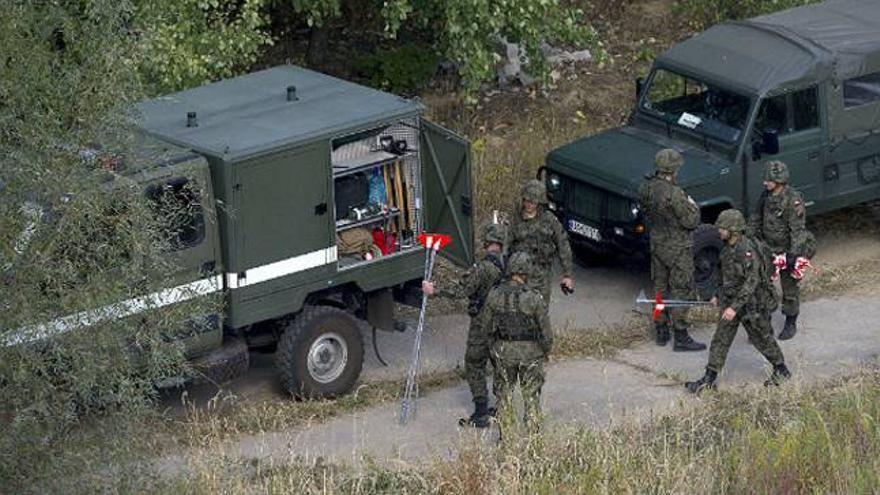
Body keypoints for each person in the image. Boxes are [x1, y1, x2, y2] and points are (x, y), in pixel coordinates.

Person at [685, 209, 790, 393]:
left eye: (722, 228)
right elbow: (723, 274)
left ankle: (781, 369)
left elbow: (751, 282)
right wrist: (717, 294)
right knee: (720, 339)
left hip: (751, 304)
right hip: (732, 301)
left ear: (733, 230)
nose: (719, 231)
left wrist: (734, 308)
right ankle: (709, 379)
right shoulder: (727, 249)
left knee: (762, 338)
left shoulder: (747, 251)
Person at [422, 222, 506, 428]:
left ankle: (480, 413)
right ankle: (504, 408)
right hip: (503, 322)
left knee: (474, 364)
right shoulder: (509, 265)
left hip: (482, 323)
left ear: (486, 242)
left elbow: (462, 289)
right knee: (500, 365)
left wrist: (435, 289)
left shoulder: (483, 267)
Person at [638, 148, 706, 351]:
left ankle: (661, 329)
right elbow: (691, 221)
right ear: (673, 170)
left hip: (657, 243)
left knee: (659, 289)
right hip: (677, 247)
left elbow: (645, 210)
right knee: (681, 290)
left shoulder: (647, 187)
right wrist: (693, 206)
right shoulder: (675, 193)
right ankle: (681, 335)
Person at [484, 251, 551, 433]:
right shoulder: (534, 297)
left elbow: (486, 328)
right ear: (526, 272)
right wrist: (546, 351)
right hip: (531, 354)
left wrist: (493, 350)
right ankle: (533, 442)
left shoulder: (494, 295)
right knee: (531, 398)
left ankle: (505, 441)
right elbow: (546, 332)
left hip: (504, 352)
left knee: (503, 398)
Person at [748, 160, 809, 340]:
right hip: (767, 250)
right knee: (762, 286)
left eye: (768, 180)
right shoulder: (765, 197)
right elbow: (755, 218)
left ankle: (790, 321)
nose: (764, 183)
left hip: (787, 250)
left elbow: (798, 230)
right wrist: (749, 240)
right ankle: (763, 324)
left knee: (789, 288)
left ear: (779, 181)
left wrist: (793, 255)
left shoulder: (793, 199)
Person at [508, 179, 574, 304]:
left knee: (540, 312)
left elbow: (563, 244)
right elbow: (506, 242)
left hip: (541, 276)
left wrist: (567, 275)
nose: (528, 204)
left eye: (532, 202)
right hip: (518, 275)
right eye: (526, 201)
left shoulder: (549, 220)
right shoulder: (515, 219)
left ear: (539, 203)